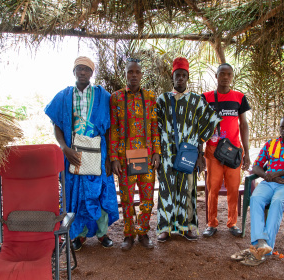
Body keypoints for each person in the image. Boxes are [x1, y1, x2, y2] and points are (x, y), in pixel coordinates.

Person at [45, 56, 119, 251]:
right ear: (73, 71)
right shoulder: (64, 96)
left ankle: (103, 234)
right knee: (75, 195)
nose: (83, 72)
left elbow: (111, 128)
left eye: (86, 69)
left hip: (98, 153)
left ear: (92, 72)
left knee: (100, 192)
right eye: (79, 68)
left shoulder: (103, 96)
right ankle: (79, 235)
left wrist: (110, 157)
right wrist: (64, 148)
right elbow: (57, 125)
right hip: (73, 154)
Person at [155, 57, 222, 242]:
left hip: (189, 153)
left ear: (187, 78)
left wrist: (199, 152)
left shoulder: (196, 100)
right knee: (166, 189)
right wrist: (157, 154)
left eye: (184, 76)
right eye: (178, 75)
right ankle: (165, 228)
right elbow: (155, 127)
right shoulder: (162, 100)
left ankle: (188, 227)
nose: (181, 79)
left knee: (187, 188)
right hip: (168, 154)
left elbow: (210, 122)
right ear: (173, 77)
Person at [232, 115, 284, 266]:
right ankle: (260, 242)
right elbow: (256, 167)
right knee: (255, 198)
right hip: (269, 183)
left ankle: (266, 248)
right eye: (282, 127)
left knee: (277, 201)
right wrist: (269, 176)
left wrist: (281, 173)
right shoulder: (271, 144)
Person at [109, 58, 161, 250]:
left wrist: (157, 151)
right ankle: (129, 234)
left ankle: (143, 232)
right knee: (127, 198)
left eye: (137, 72)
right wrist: (114, 157)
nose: (134, 75)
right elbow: (113, 128)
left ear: (141, 74)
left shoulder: (149, 97)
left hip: (146, 156)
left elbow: (155, 125)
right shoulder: (116, 98)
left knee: (147, 198)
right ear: (125, 74)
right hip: (125, 156)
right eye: (130, 72)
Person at [202, 63, 251, 238]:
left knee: (233, 188)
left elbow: (244, 125)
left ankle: (232, 223)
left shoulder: (239, 97)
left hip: (234, 151)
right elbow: (200, 126)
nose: (225, 77)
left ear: (232, 77)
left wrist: (246, 152)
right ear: (216, 76)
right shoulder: (205, 98)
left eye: (229, 74)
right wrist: (201, 152)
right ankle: (211, 223)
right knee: (212, 188)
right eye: (222, 74)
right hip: (213, 151)